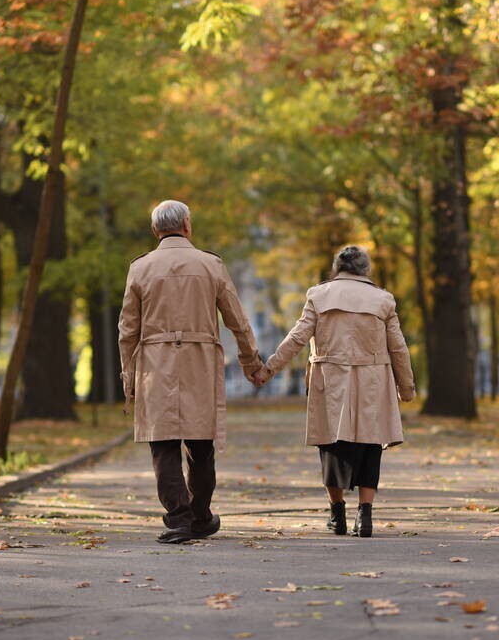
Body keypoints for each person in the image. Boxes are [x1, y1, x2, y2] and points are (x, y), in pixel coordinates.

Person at [118, 200, 263, 544]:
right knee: (200, 445)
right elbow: (237, 321)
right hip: (199, 361)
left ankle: (178, 519)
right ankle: (199, 516)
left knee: (163, 444)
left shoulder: (140, 268)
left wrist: (129, 376)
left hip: (155, 363)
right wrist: (251, 363)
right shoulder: (211, 265)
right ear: (187, 225)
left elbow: (127, 330)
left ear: (156, 230)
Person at [253, 246, 415, 537]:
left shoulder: (318, 295)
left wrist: (268, 369)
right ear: (366, 269)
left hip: (330, 381)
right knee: (370, 445)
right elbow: (398, 347)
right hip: (373, 380)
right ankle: (364, 515)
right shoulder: (383, 300)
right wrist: (406, 388)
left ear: (336, 268)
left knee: (331, 446)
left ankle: (337, 514)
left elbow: (297, 338)